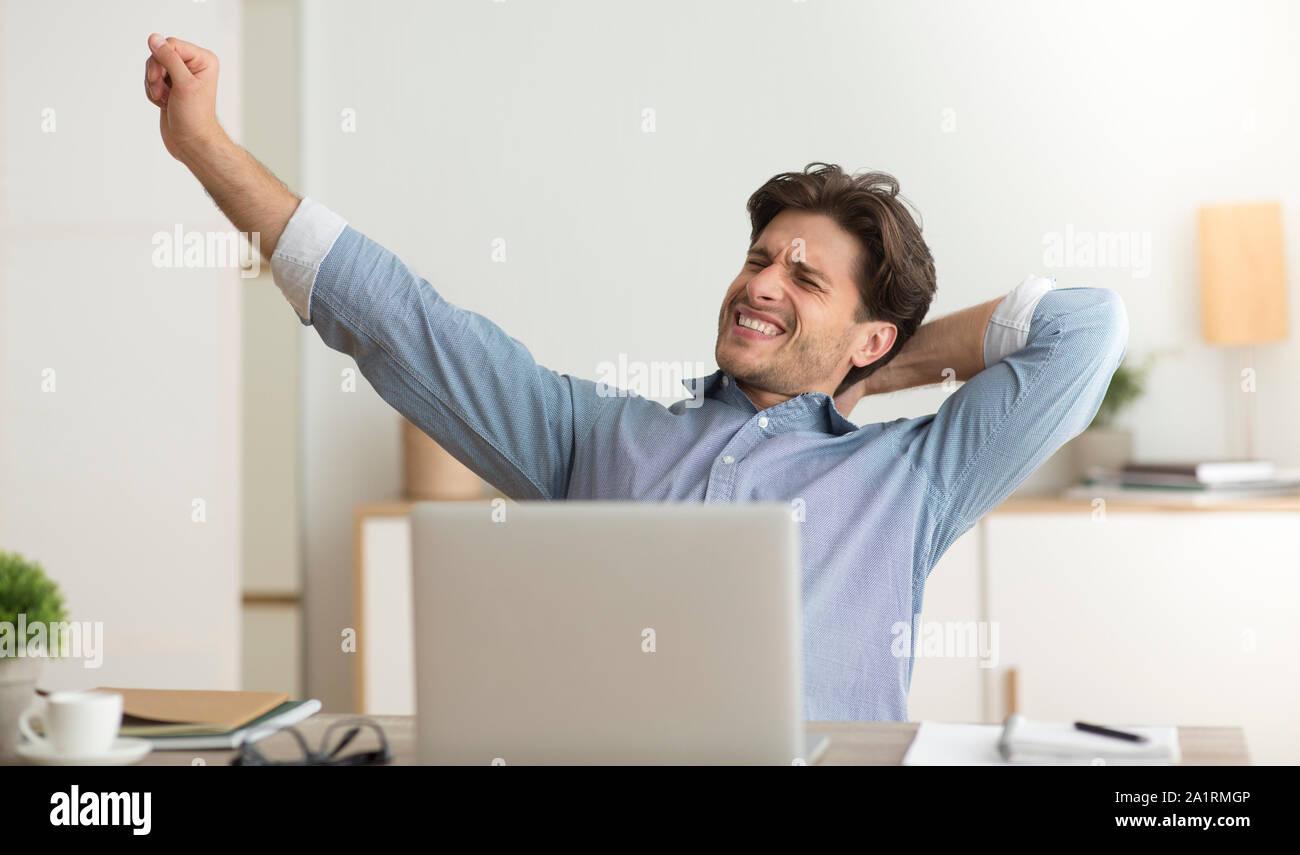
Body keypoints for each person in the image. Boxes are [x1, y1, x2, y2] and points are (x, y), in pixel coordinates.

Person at [143, 33, 1128, 721]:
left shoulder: (915, 475)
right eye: (758, 257)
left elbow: (1085, 329)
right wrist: (206, 148)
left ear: (865, 335)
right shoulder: (594, 437)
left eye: (804, 276)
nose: (761, 282)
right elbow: (402, 322)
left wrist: (866, 375)